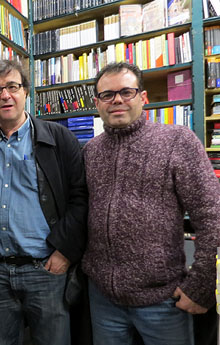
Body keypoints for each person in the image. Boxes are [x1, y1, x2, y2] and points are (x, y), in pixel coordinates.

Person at [82, 62, 220, 345]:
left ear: (143, 98)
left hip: (162, 300)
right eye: (107, 95)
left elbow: (211, 214)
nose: (117, 99)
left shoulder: (176, 141)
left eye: (126, 92)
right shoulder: (90, 151)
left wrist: (201, 282)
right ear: (97, 103)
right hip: (103, 299)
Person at [0, 59, 88, 345]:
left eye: (12, 86)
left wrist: (64, 252)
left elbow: (80, 197)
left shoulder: (59, 138)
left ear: (25, 91)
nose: (5, 95)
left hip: (46, 270)